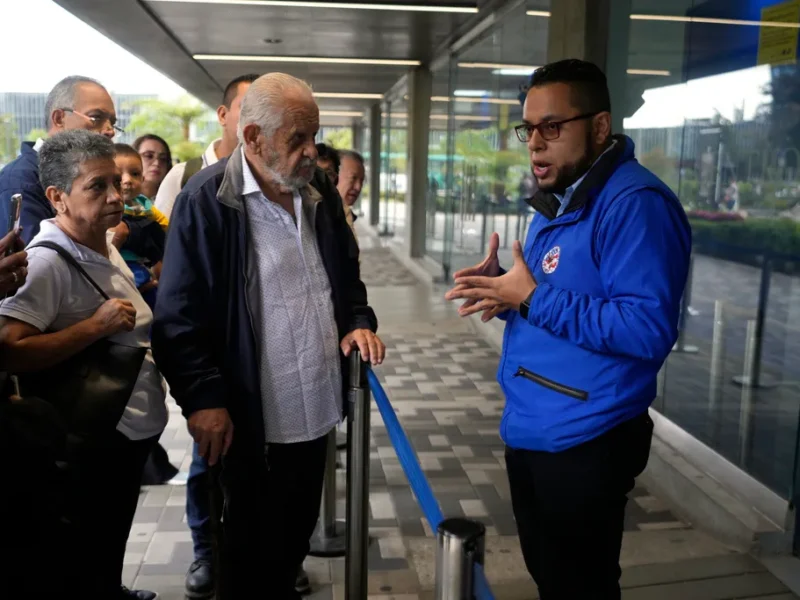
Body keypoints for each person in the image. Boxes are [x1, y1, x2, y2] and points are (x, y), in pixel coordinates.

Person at [445, 59, 691, 599]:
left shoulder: (634, 206)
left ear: (599, 127)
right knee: (554, 579)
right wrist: (507, 293)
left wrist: (530, 295)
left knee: (580, 586)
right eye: (528, 128)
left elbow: (646, 328)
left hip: (587, 435)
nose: (535, 144)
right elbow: (559, 296)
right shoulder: (563, 200)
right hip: (537, 424)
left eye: (552, 127)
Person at [152, 72, 385, 600]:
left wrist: (358, 321)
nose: (310, 153)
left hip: (316, 409)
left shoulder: (317, 191)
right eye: (295, 139)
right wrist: (204, 398)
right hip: (249, 421)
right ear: (253, 137)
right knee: (244, 556)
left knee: (289, 547)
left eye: (314, 137)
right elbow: (177, 319)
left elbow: (346, 278)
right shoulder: (206, 202)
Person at [0, 130, 168, 600]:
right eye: (97, 186)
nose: (116, 195)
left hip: (123, 431)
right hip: (89, 439)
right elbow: (9, 348)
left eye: (116, 182)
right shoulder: (47, 262)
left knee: (105, 547)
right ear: (57, 197)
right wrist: (93, 328)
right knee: (80, 558)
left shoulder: (103, 242)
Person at [152, 73, 258, 599]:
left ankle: (266, 555)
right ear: (223, 114)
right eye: (247, 108)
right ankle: (205, 551)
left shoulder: (283, 182)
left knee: (257, 466)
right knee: (208, 459)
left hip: (257, 356)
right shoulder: (188, 177)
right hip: (211, 352)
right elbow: (173, 268)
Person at [0, 75, 122, 244]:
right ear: (59, 118)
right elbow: (33, 259)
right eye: (96, 118)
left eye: (112, 122)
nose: (110, 131)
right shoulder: (20, 181)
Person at [155, 74, 259, 220]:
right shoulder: (183, 176)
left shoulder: (272, 181)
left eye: (265, 111)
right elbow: (160, 236)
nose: (258, 118)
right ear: (223, 115)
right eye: (248, 108)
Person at [112, 143, 168, 309]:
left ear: (143, 179)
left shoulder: (144, 204)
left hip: (143, 265)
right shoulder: (110, 205)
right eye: (119, 176)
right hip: (120, 266)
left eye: (135, 174)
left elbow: (164, 223)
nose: (127, 180)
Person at [336, 150, 365, 244]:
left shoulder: (345, 215)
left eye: (361, 181)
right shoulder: (320, 219)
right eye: (353, 178)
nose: (358, 187)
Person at [133, 134, 172, 200]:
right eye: (148, 156)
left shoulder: (173, 199)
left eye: (163, 158)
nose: (157, 163)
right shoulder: (121, 199)